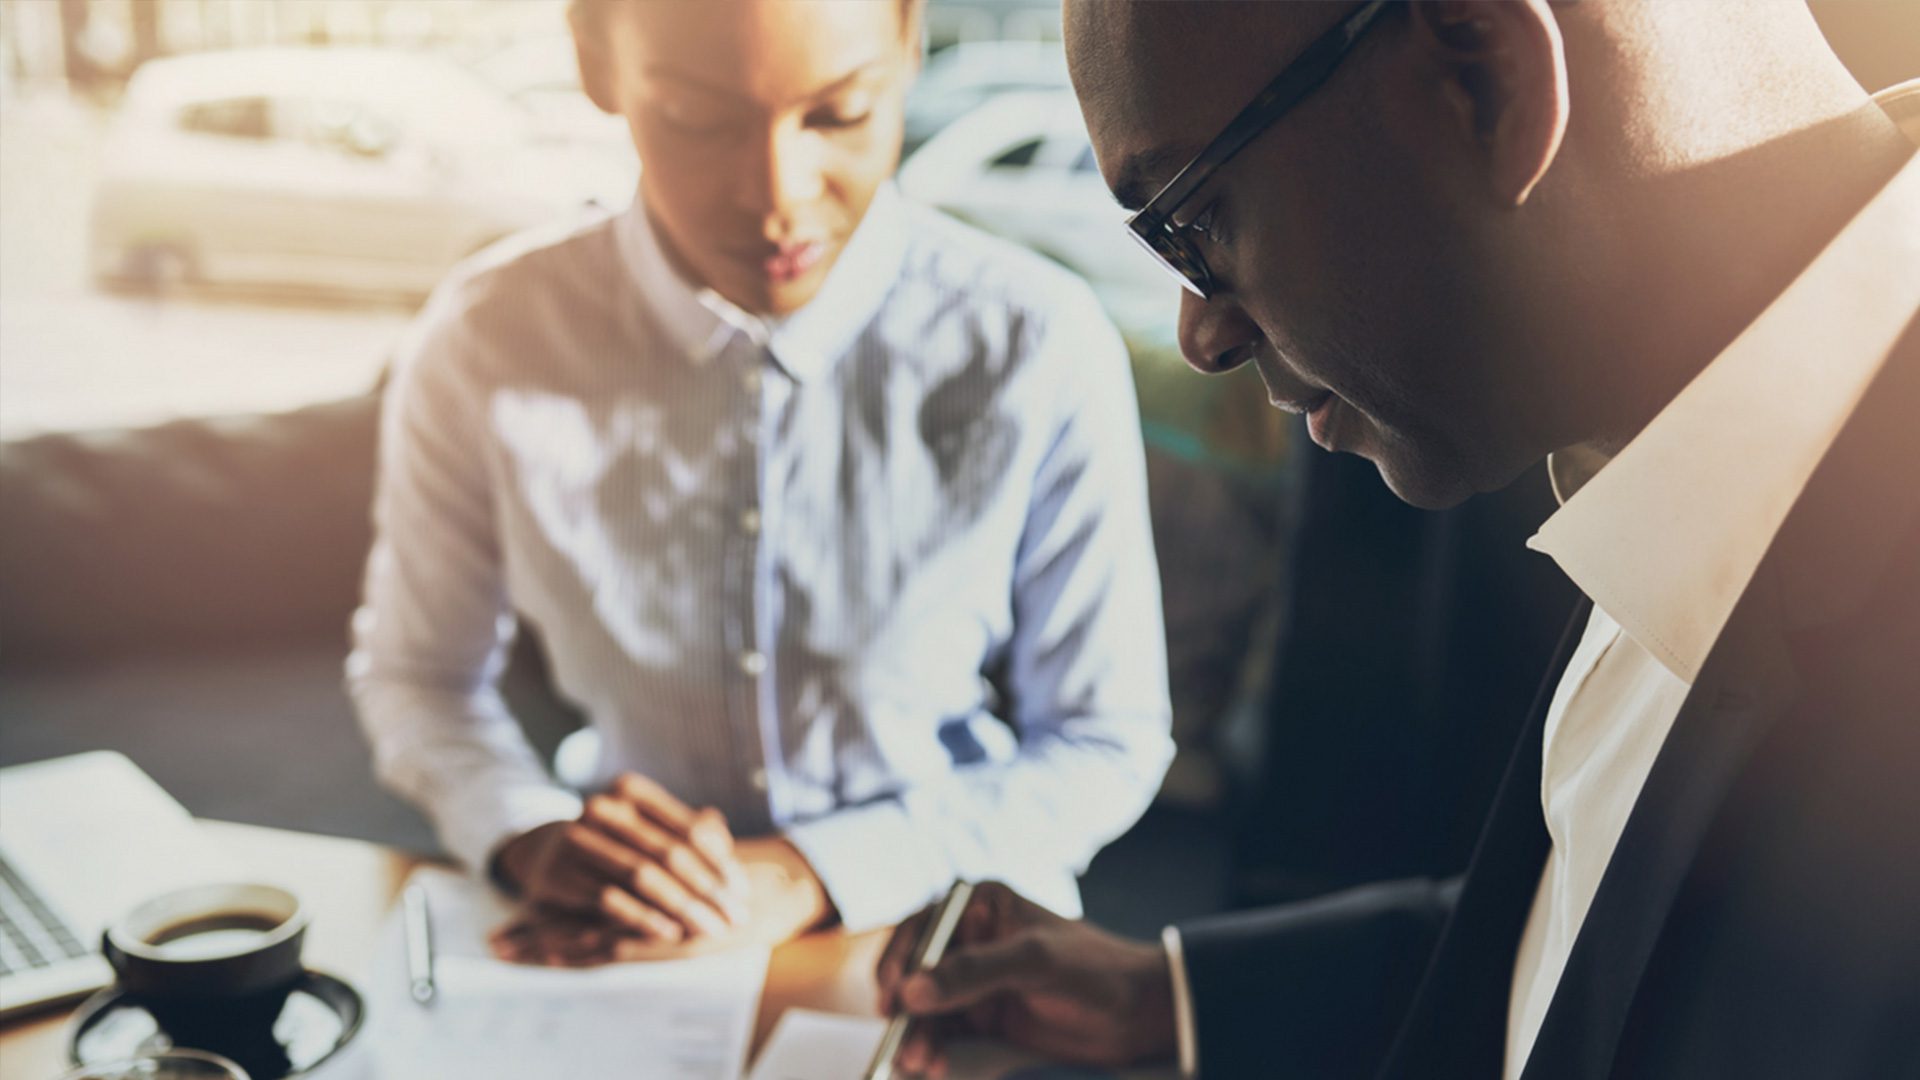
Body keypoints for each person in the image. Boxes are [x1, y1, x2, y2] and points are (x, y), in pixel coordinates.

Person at [878, 2, 1920, 1077]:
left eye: (1193, 222)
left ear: (1486, 80)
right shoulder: (1672, 436)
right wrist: (1170, 999)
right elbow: (1620, 930)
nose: (1200, 333)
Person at [348, 0, 1172, 959]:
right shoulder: (486, 339)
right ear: (595, 63)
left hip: (948, 928)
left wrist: (800, 872)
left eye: (840, 114)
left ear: (909, 50)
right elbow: (418, 675)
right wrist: (525, 828)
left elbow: (1104, 739)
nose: (777, 197)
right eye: (701, 122)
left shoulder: (1036, 342)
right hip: (632, 930)